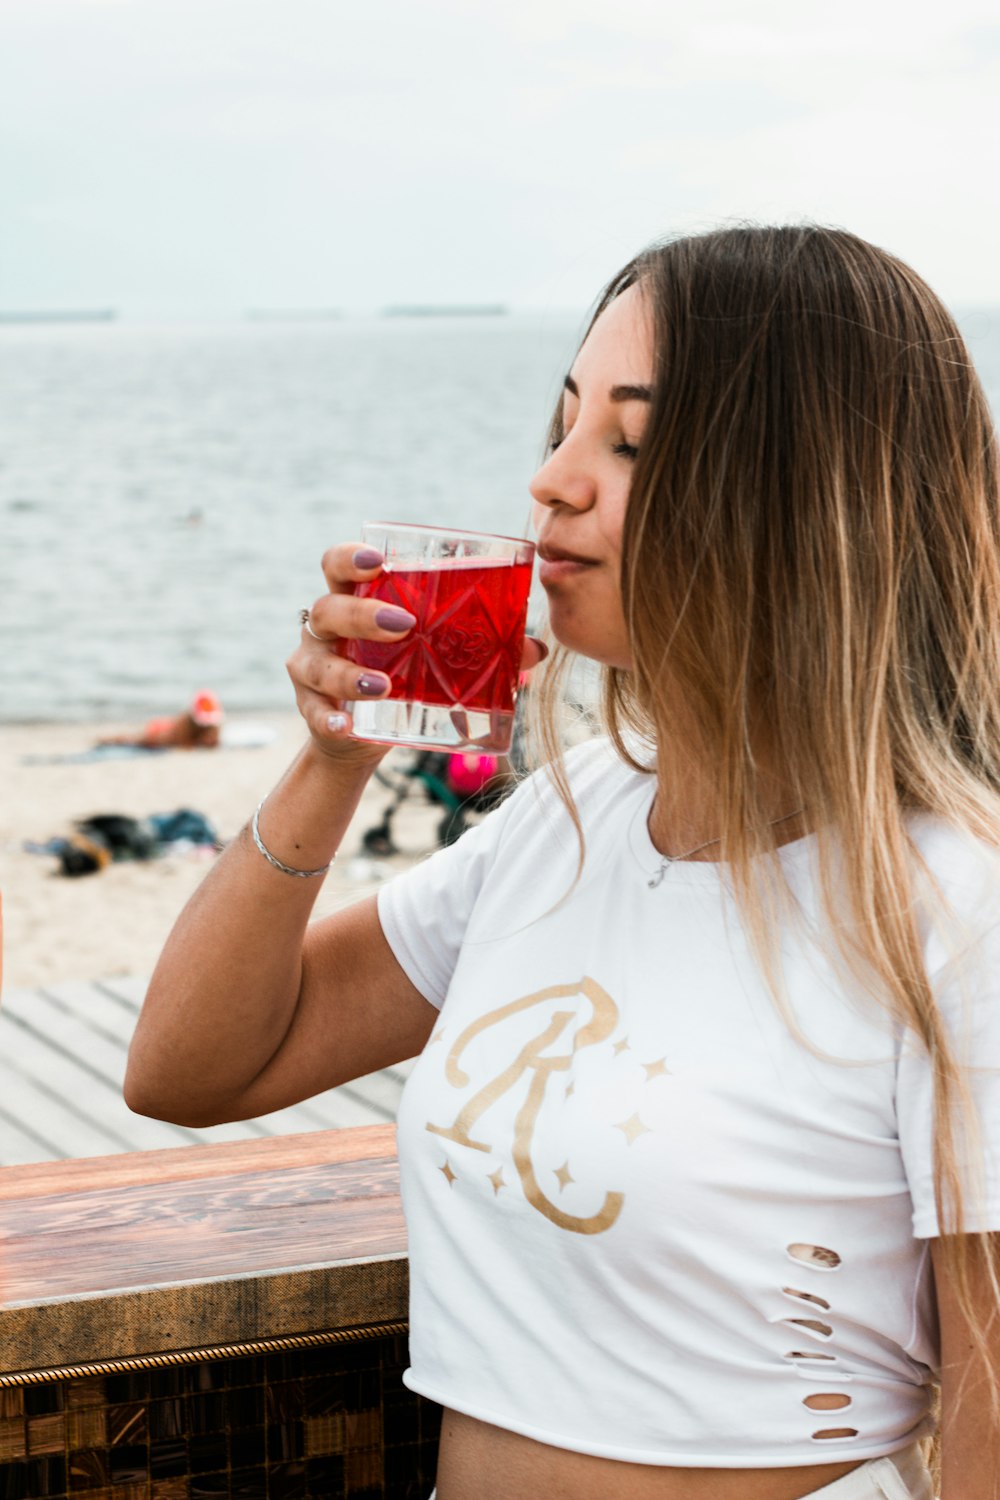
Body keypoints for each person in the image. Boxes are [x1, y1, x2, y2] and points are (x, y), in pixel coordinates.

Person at [124, 225, 1000, 1499]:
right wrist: (336, 759)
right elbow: (192, 1069)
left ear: (807, 499)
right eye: (562, 425)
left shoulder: (952, 905)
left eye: (629, 442)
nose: (552, 482)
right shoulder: (570, 819)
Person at [98, 690, 224, 750]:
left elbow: (213, 743)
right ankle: (105, 739)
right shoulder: (183, 724)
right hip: (160, 728)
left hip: (167, 729)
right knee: (133, 739)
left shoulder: (213, 727)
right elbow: (184, 744)